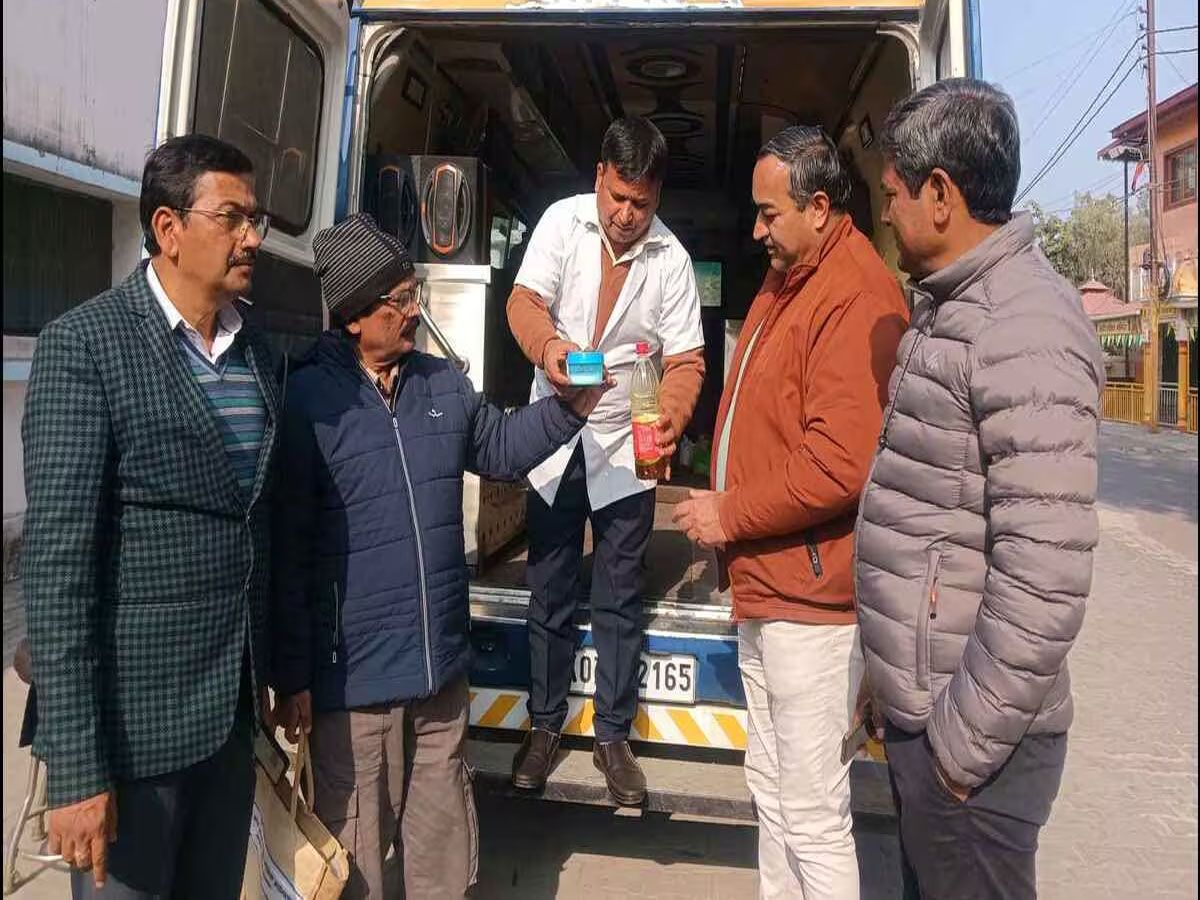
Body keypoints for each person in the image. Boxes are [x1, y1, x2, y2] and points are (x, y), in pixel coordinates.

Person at [270, 212, 609, 899]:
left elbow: (501, 448)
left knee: (444, 856)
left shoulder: (441, 385)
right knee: (355, 859)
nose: (414, 311)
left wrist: (570, 409)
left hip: (438, 673)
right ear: (353, 317)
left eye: (414, 293)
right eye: (399, 301)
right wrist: (292, 673)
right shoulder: (308, 402)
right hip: (353, 685)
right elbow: (290, 547)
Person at [856, 78, 1104, 899]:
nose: (885, 213)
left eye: (891, 194)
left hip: (974, 751)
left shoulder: (1023, 326)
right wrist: (890, 678)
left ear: (940, 194)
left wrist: (957, 754)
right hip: (932, 713)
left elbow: (1045, 579)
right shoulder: (954, 305)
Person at [21, 134, 277, 898]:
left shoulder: (258, 356)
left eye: (255, 219)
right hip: (130, 741)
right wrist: (75, 768)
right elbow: (57, 570)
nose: (252, 238)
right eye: (232, 218)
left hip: (228, 727)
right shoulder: (85, 347)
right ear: (169, 228)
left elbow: (252, 523)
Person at [673, 125, 908, 899]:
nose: (756, 230)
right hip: (772, 590)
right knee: (771, 790)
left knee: (810, 811)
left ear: (818, 207)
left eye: (768, 214)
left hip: (813, 607)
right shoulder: (795, 275)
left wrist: (730, 513)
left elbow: (840, 463)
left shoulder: (854, 292)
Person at [505, 116, 706, 805]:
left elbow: (686, 361)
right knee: (550, 586)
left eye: (640, 204)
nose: (625, 215)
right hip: (556, 429)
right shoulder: (561, 223)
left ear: (657, 196)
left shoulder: (672, 259)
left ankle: (613, 737)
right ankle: (543, 725)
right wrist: (549, 350)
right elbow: (524, 302)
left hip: (627, 437)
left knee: (620, 593)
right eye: (617, 197)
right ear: (599, 177)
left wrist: (670, 416)